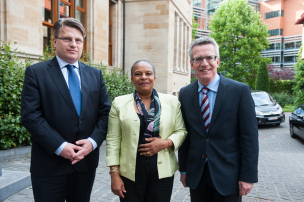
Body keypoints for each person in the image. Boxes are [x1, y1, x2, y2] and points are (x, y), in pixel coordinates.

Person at [21, 18, 111, 202]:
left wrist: (92, 143)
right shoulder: (36, 73)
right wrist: (60, 147)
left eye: (78, 40)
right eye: (67, 39)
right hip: (49, 164)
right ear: (54, 41)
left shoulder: (95, 75)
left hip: (84, 163)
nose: (73, 44)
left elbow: (105, 114)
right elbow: (31, 116)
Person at [178, 36, 259, 202]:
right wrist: (184, 170)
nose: (204, 63)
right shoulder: (185, 94)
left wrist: (248, 176)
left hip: (229, 175)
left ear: (218, 61)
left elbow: (249, 137)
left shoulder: (239, 91)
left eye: (209, 57)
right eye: (198, 59)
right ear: (191, 64)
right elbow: (186, 135)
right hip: (197, 175)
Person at [106, 60, 187, 202]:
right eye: (138, 74)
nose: (143, 77)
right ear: (131, 79)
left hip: (162, 172)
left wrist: (166, 143)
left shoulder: (171, 102)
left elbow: (181, 131)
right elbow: (113, 140)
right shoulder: (119, 103)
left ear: (154, 78)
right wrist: (114, 174)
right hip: (129, 172)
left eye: (148, 73)